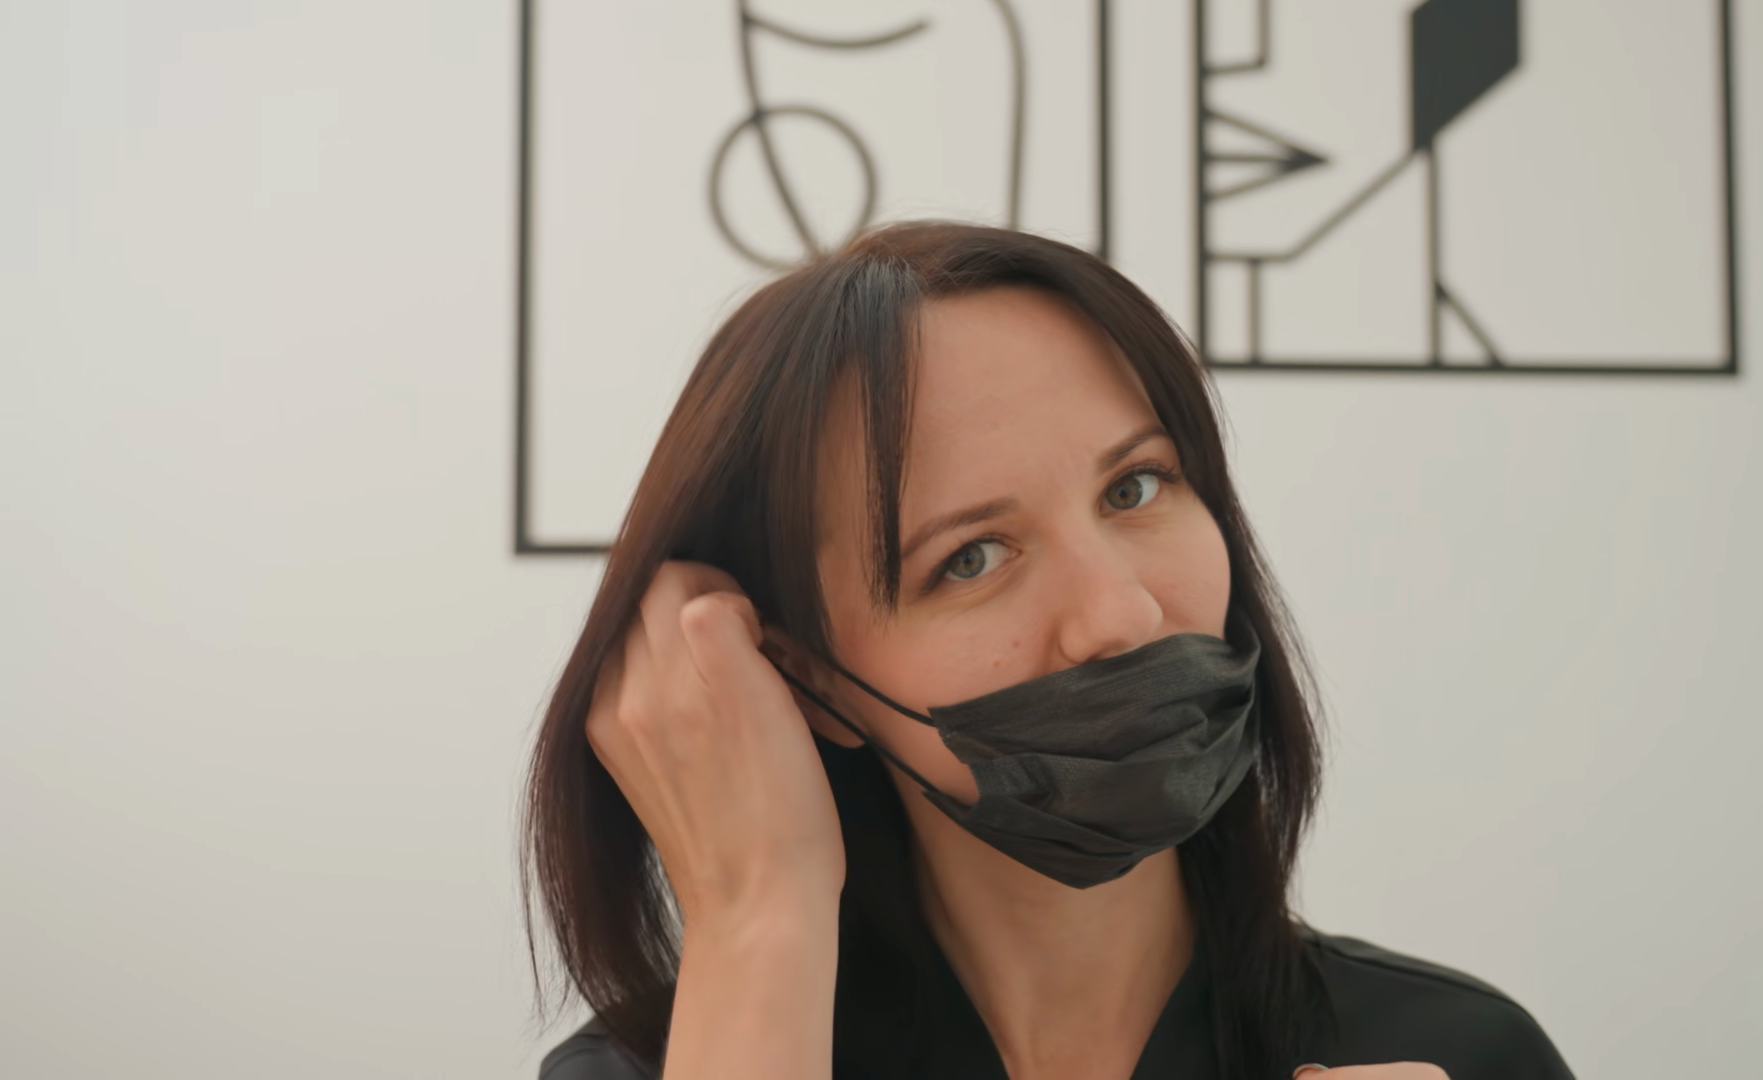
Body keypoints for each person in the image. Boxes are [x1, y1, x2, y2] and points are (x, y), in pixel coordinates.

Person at [522, 223, 1574, 1080]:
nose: (1120, 614)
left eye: (1135, 487)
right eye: (971, 558)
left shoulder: (1461, 1056)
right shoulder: (661, 1068)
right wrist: (760, 915)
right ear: (804, 678)